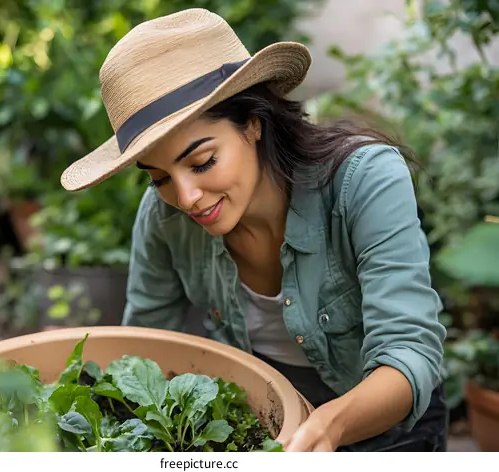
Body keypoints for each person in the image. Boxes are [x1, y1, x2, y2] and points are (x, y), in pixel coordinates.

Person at [60, 8, 448, 452]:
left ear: (252, 123)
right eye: (160, 178)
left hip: (389, 429)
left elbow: (409, 354)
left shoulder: (363, 180)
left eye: (202, 162)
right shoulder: (162, 218)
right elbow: (144, 354)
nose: (186, 197)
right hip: (259, 425)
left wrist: (323, 429)